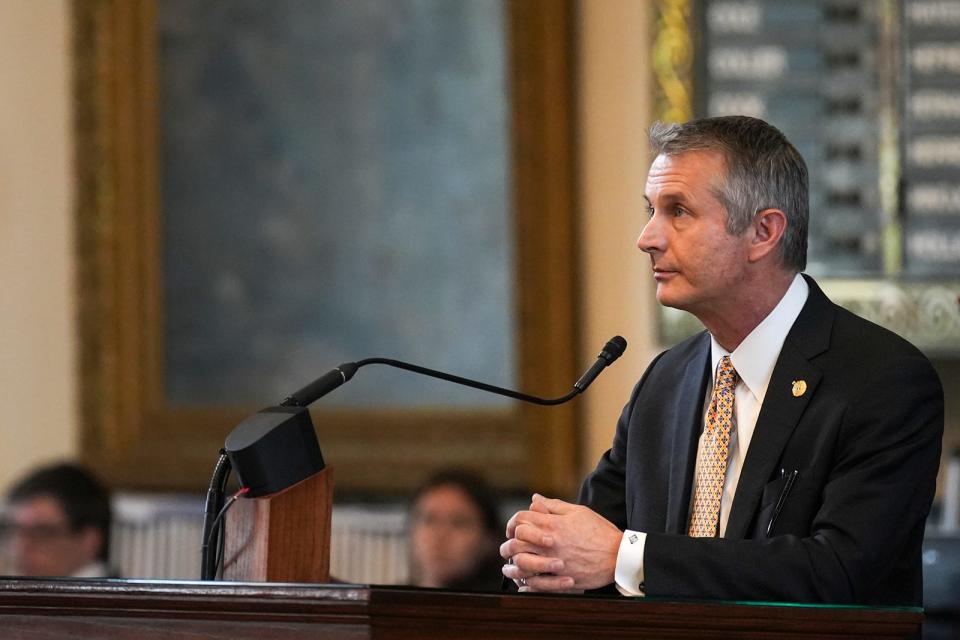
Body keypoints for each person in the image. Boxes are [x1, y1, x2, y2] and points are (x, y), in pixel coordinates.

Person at [501, 115, 944, 605]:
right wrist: (539, 552)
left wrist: (627, 558)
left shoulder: (882, 380)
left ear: (763, 232)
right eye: (651, 210)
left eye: (679, 212)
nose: (647, 238)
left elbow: (837, 572)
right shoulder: (664, 383)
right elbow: (586, 546)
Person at [3, 462, 115, 578]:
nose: (19, 546)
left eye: (42, 532)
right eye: (13, 529)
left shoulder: (116, 596)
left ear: (90, 540)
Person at [408, 469, 503, 590]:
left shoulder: (506, 605)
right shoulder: (388, 602)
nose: (440, 535)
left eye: (459, 523)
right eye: (429, 520)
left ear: (489, 540)